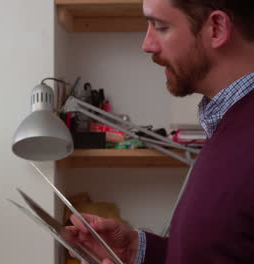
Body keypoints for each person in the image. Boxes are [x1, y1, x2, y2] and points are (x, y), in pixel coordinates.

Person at [68, 0, 254, 263]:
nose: (148, 44)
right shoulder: (226, 122)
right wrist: (138, 251)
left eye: (161, 26)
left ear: (216, 28)